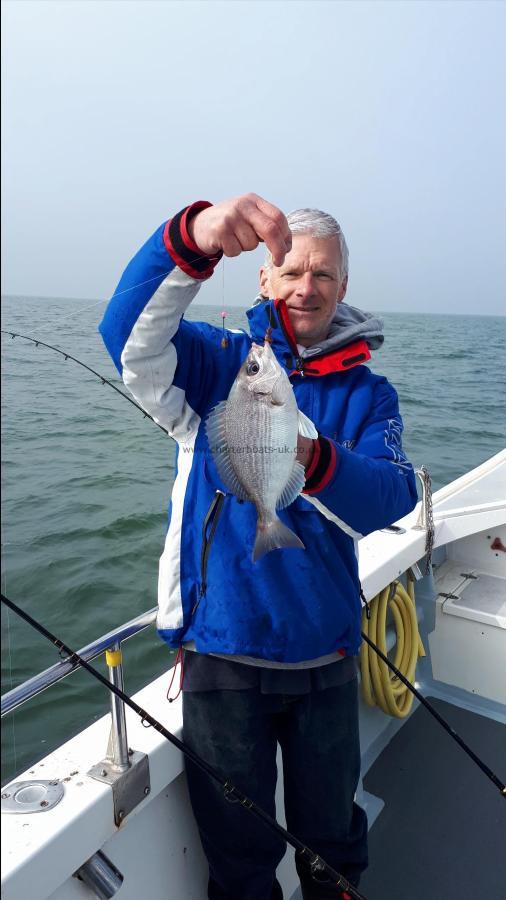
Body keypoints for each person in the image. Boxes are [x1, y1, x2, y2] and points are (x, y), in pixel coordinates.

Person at [99, 193, 418, 899]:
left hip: (327, 654)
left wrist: (317, 457)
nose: (308, 287)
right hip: (223, 655)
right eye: (292, 270)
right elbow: (126, 338)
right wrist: (194, 238)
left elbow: (395, 497)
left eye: (325, 275)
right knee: (240, 856)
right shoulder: (220, 362)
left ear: (343, 287)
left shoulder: (371, 395)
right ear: (264, 280)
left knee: (333, 839)